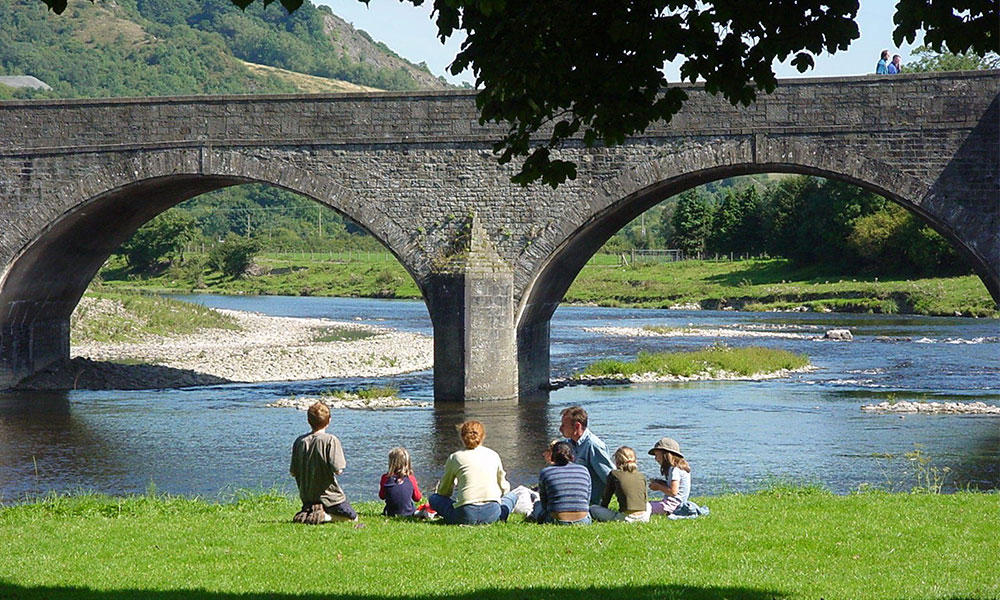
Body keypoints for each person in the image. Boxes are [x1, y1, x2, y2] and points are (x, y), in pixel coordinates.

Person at [429, 420, 518, 525]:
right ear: (483, 436)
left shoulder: (455, 457)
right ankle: (496, 518)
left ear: (462, 437)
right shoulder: (493, 455)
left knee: (434, 498)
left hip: (465, 514)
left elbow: (444, 492)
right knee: (512, 496)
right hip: (492, 513)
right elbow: (504, 488)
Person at [289, 402, 357, 524]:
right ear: (329, 420)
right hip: (330, 498)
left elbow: (293, 472)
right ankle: (324, 517)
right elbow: (338, 469)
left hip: (307, 498)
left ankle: (311, 513)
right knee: (353, 517)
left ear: (308, 421)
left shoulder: (299, 441)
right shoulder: (331, 440)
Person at [560, 406, 615, 504]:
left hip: (590, 502)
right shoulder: (567, 444)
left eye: (564, 425)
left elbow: (610, 477)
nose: (560, 428)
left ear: (577, 426)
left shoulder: (594, 446)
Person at [534, 441, 592, 525]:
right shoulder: (584, 471)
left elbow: (544, 502)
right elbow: (587, 499)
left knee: (537, 505)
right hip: (583, 520)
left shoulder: (546, 472)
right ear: (572, 456)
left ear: (553, 457)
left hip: (556, 520)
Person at [590, 446, 651, 523]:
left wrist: (603, 509)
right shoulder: (641, 475)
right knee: (648, 504)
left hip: (627, 518)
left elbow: (606, 498)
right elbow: (645, 500)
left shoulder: (614, 474)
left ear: (617, 461)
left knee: (593, 508)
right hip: (644, 517)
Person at [647, 437, 691, 516]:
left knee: (643, 507)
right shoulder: (679, 468)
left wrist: (658, 487)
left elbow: (673, 492)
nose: (655, 458)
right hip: (678, 504)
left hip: (672, 506)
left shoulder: (675, 470)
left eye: (657, 455)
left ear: (665, 454)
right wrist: (661, 483)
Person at [379, 446, 424, 517]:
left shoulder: (385, 478)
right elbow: (417, 498)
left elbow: (382, 496)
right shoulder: (411, 478)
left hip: (390, 513)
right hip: (409, 513)